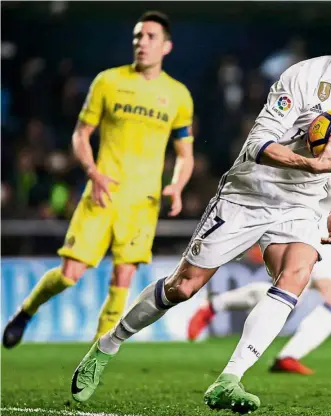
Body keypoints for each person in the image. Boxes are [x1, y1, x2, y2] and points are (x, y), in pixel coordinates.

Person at [71, 3, 331, 413]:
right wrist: (309, 162)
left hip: (303, 202)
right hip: (250, 191)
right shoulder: (303, 77)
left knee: (296, 272)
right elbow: (258, 144)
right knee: (183, 287)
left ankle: (229, 380)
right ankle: (107, 345)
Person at [2, 11, 194, 348]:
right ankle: (26, 311)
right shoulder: (108, 81)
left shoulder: (178, 95)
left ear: (167, 46)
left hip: (143, 203)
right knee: (69, 275)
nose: (142, 43)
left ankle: (93, 357)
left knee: (123, 277)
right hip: (101, 194)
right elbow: (81, 134)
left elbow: (185, 154)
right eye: (138, 36)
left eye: (150, 37)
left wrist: (177, 186)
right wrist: (93, 171)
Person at [187, 99, 331, 375]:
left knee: (294, 293)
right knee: (320, 295)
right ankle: (279, 355)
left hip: (328, 229)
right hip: (305, 221)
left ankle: (217, 308)